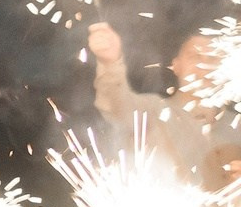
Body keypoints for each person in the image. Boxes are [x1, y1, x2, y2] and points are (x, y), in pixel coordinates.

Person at [89, 20, 241, 186]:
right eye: (195, 56)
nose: (203, 65)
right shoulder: (153, 111)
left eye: (213, 58)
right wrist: (110, 63)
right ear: (176, 65)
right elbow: (116, 103)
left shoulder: (237, 125)